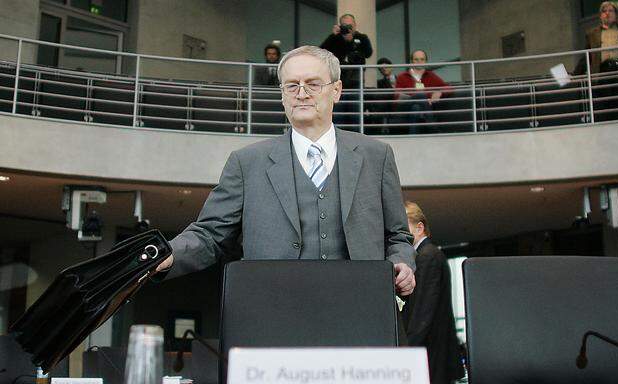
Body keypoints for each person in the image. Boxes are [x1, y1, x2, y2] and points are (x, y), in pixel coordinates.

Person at [156, 46, 416, 297]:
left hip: (359, 308)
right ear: (282, 95)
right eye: (292, 85)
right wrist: (166, 254)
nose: (301, 93)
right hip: (274, 307)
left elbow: (398, 235)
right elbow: (211, 234)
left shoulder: (376, 156)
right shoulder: (247, 162)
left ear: (336, 90)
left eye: (313, 84)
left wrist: (402, 262)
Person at [402, 201, 464, 384]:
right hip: (432, 353)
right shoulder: (426, 255)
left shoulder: (428, 256)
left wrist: (406, 351)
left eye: (403, 227)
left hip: (432, 354)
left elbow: (423, 312)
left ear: (419, 228)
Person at [395, 50, 450, 133]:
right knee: (420, 95)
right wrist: (419, 98)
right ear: (411, 61)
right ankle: (432, 126)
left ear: (426, 61)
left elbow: (449, 88)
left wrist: (440, 92)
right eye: (416, 59)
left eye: (422, 59)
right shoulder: (402, 76)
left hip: (419, 110)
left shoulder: (431, 76)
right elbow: (397, 96)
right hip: (405, 107)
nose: (419, 62)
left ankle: (413, 138)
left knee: (416, 108)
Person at [320, 14, 373, 89]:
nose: (348, 28)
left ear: (355, 25)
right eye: (345, 26)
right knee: (339, 98)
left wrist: (351, 42)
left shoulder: (362, 37)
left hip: (356, 75)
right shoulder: (335, 38)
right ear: (340, 26)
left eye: (350, 25)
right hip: (339, 75)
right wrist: (333, 36)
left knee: (355, 98)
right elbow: (322, 51)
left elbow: (368, 53)